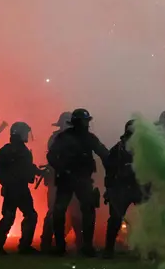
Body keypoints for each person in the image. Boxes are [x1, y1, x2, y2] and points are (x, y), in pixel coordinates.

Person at [46, 108, 108, 256]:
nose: (86, 124)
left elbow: (104, 153)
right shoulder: (67, 138)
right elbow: (52, 156)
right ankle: (65, 246)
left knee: (82, 211)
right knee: (63, 211)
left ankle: (82, 246)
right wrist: (63, 169)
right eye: (84, 121)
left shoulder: (75, 137)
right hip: (70, 179)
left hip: (78, 179)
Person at [0, 121, 42, 254]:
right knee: (11, 216)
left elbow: (26, 168)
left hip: (21, 188)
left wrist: (39, 172)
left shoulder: (17, 149)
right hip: (13, 189)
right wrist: (8, 180)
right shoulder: (9, 149)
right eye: (25, 133)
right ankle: (0, 246)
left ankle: (15, 246)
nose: (27, 136)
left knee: (27, 215)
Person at [103, 119, 143, 258]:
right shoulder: (118, 149)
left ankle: (147, 248)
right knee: (115, 219)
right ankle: (108, 250)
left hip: (138, 187)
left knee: (147, 218)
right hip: (121, 188)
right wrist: (109, 189)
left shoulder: (144, 148)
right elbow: (109, 171)